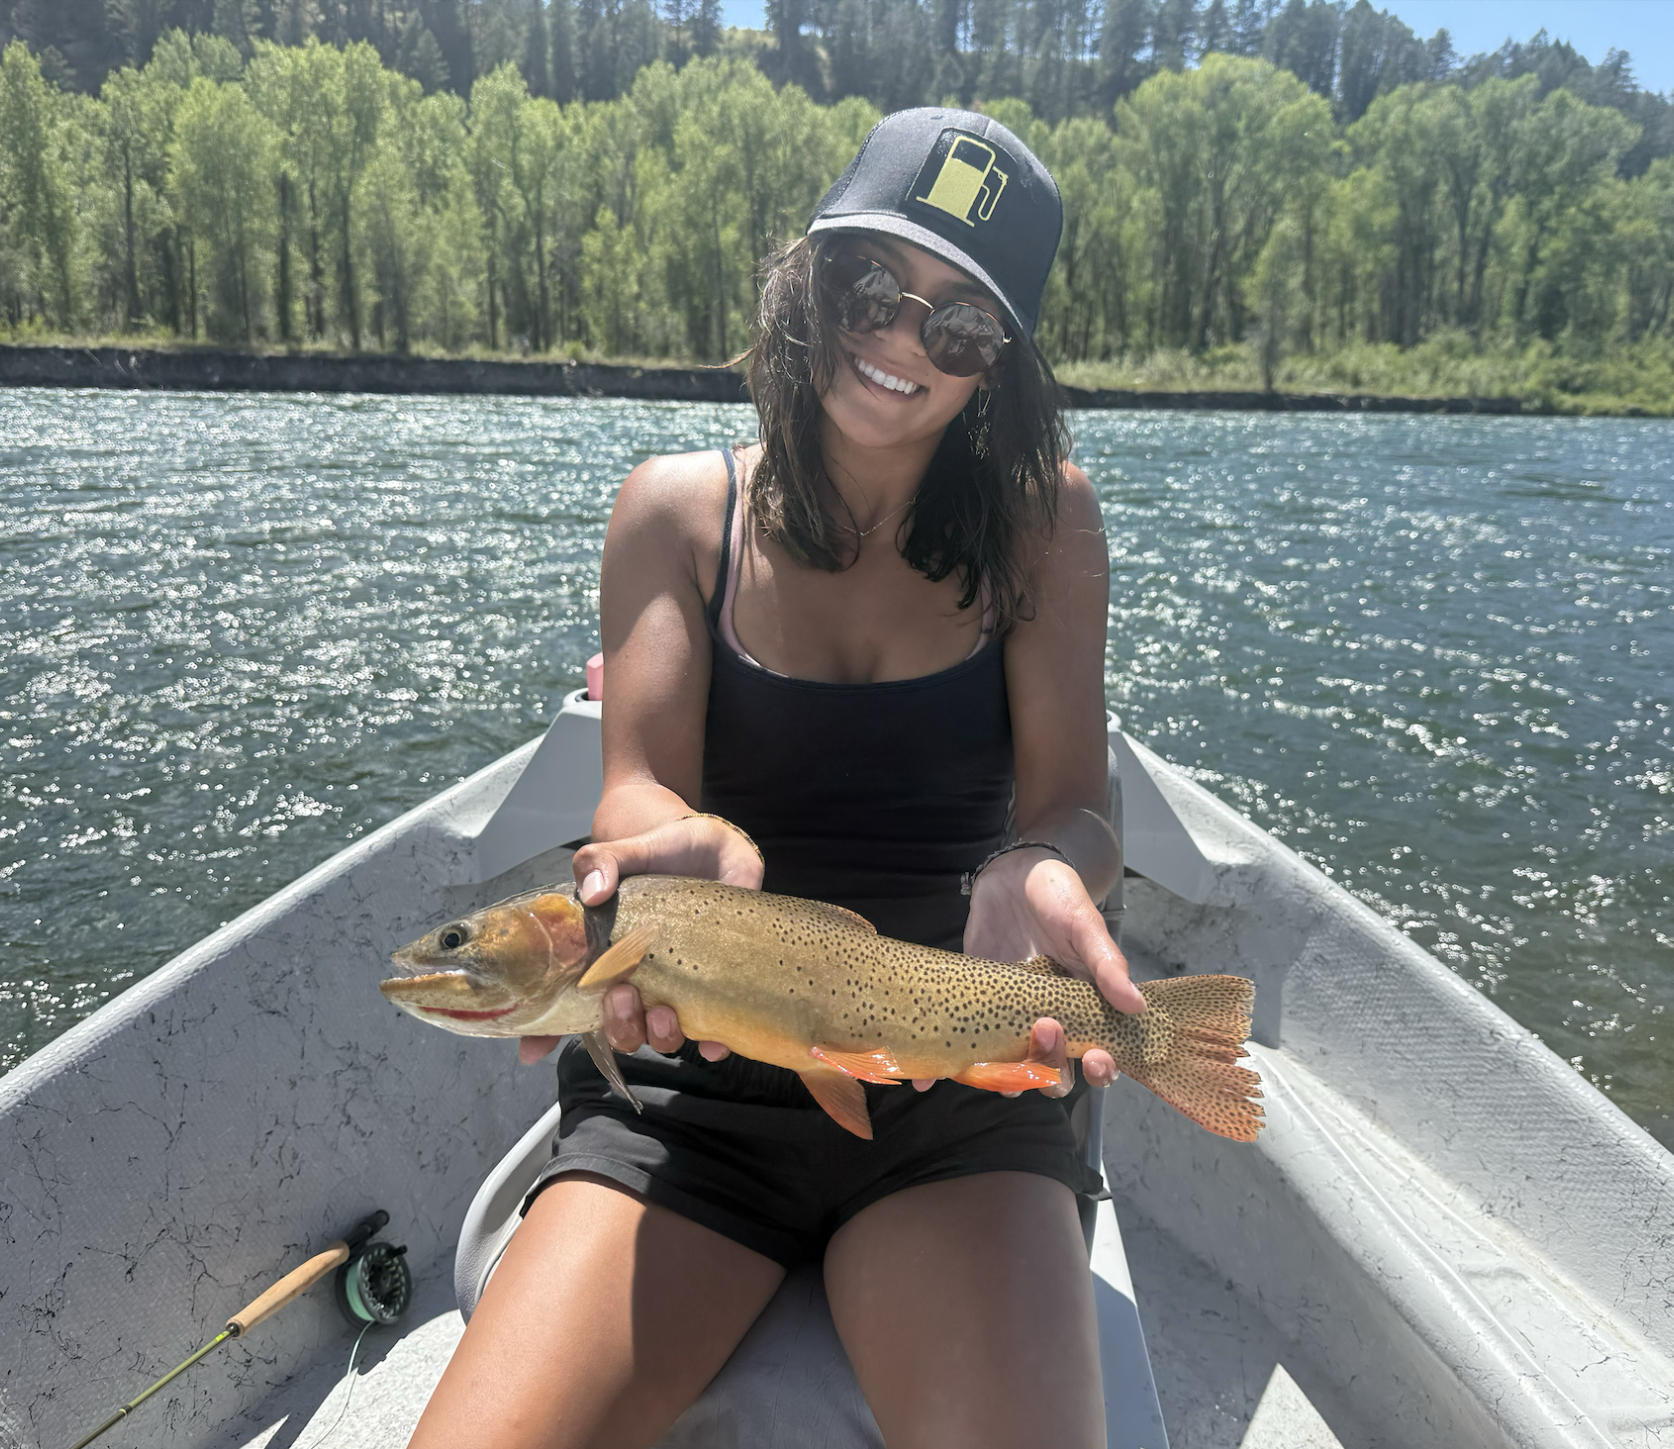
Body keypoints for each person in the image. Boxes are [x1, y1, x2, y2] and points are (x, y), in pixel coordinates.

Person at [409, 109, 1137, 1449]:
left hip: (956, 1084)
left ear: (1000, 368)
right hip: (693, 1094)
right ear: (811, 281)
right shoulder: (674, 512)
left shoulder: (1051, 521)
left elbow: (1076, 807)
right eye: (875, 286)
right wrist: (667, 839)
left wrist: (1042, 866)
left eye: (961, 326)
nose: (904, 340)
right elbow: (634, 788)